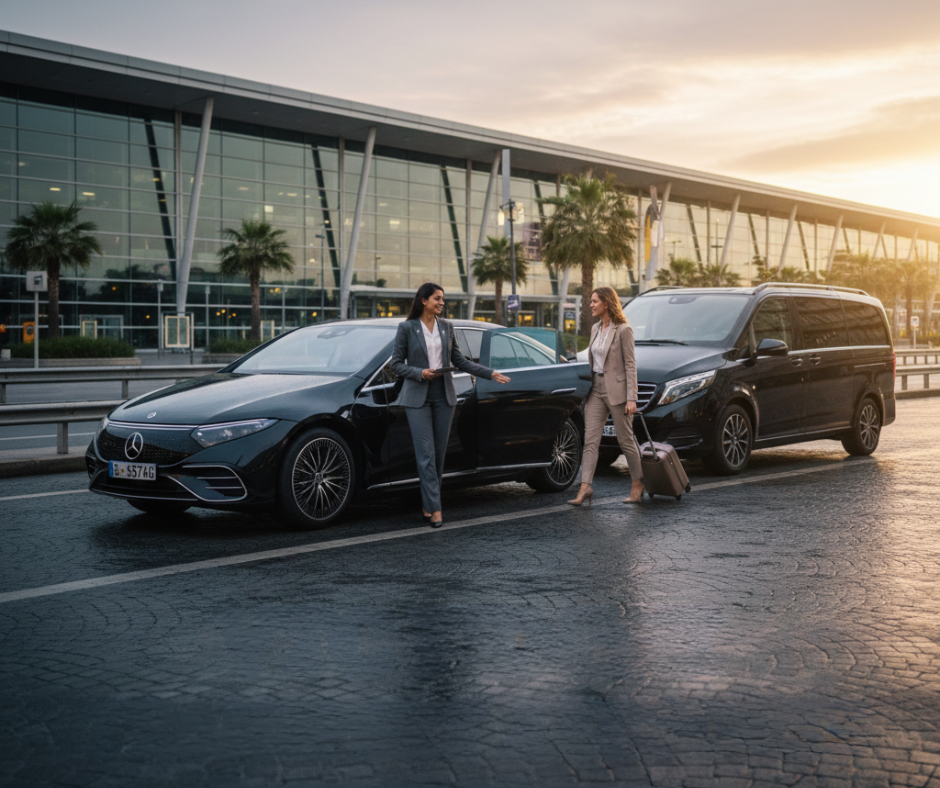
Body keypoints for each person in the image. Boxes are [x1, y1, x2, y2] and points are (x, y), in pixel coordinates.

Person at [391, 283, 511, 527]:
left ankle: (428, 503)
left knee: (437, 455)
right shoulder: (407, 328)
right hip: (418, 397)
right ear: (424, 301)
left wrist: (490, 373)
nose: (441, 303)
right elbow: (396, 364)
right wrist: (419, 372)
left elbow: (460, 361)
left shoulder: (446, 327)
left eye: (442, 299)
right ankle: (435, 509)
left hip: (443, 396)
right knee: (425, 454)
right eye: (437, 298)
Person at [568, 286, 644, 507]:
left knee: (626, 440)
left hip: (618, 392)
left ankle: (637, 483)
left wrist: (632, 398)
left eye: (594, 301)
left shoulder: (623, 330)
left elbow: (631, 365)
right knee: (590, 439)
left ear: (606, 304)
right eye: (591, 301)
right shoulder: (594, 329)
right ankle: (585, 486)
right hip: (596, 389)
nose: (591, 305)